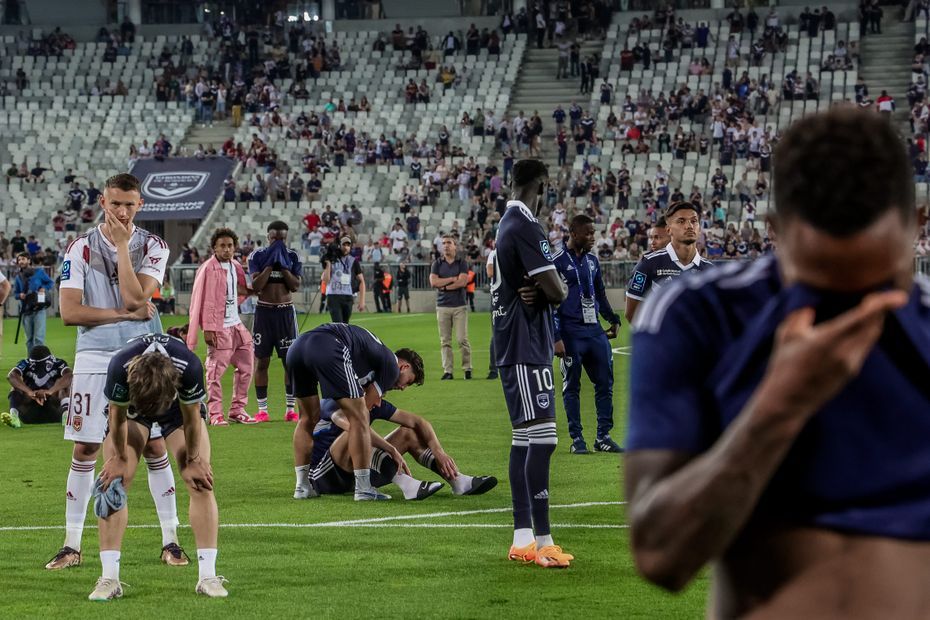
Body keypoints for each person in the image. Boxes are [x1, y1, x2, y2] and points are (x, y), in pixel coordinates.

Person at [626, 107, 930, 617]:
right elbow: (661, 553)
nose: (852, 307)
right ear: (777, 232)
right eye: (820, 282)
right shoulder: (699, 314)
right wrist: (779, 405)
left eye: (878, 282)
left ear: (917, 227)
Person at [50, 173, 187, 571]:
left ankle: (171, 540)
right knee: (85, 449)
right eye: (115, 204)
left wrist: (124, 247)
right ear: (102, 202)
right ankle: (71, 546)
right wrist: (124, 313)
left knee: (155, 447)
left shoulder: (154, 246)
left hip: (142, 357)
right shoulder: (79, 249)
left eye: (130, 204)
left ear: (140, 205)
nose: (122, 211)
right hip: (93, 357)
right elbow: (70, 313)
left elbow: (135, 294)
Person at [90, 333, 227, 600]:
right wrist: (118, 458)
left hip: (177, 410)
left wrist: (194, 459)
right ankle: (109, 579)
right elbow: (116, 418)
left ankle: (208, 577)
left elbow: (191, 420)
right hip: (133, 409)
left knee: (199, 480)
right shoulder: (120, 367)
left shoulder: (189, 368)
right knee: (112, 483)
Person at [491, 159, 572, 568]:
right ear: (543, 186)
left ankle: (524, 538)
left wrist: (543, 290)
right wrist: (550, 288)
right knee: (543, 438)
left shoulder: (506, 224)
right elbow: (558, 290)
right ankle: (542, 540)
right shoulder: (524, 225)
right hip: (525, 346)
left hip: (519, 344)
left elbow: (543, 290)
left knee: (525, 438)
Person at [288, 323, 424, 501]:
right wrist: (389, 448)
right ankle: (363, 488)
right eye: (408, 381)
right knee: (359, 418)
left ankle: (302, 487)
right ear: (404, 367)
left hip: (297, 347)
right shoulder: (391, 367)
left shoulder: (371, 357)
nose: (403, 387)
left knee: (307, 418)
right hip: (328, 345)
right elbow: (364, 411)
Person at [308, 397, 498, 499]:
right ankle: (408, 485)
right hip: (326, 477)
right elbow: (355, 428)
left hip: (361, 473)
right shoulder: (335, 401)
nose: (383, 397)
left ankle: (458, 482)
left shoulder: (376, 402)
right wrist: (391, 449)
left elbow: (418, 421)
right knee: (357, 434)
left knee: (408, 432)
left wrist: (439, 451)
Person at [552, 215, 623, 455]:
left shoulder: (593, 260)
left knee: (605, 384)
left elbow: (600, 295)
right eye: (588, 233)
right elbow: (550, 302)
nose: (593, 237)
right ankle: (577, 438)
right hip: (570, 332)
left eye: (594, 232)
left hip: (594, 332)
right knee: (571, 386)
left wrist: (612, 319)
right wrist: (555, 335)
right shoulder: (558, 262)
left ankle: (603, 436)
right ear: (573, 233)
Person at [187, 228, 255, 426]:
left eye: (230, 246)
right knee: (215, 372)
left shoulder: (235, 266)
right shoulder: (207, 268)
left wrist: (258, 289)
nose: (227, 249)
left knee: (247, 366)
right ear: (214, 248)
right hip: (218, 327)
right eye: (222, 246)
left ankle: (237, 409)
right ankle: (215, 413)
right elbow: (201, 299)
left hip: (236, 324)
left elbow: (240, 289)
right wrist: (208, 328)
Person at [247, 221, 301, 423]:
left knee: (290, 362)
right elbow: (256, 285)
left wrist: (284, 267)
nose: (278, 242)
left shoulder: (293, 256)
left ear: (286, 238)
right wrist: (270, 265)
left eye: (281, 239)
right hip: (264, 312)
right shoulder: (258, 256)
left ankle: (290, 409)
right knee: (262, 361)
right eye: (274, 239)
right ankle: (262, 410)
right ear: (268, 237)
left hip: (285, 313)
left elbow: (295, 286)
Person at [625, 201, 713, 323]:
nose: (689, 226)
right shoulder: (648, 264)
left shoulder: (711, 271)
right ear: (668, 230)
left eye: (694, 221)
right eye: (681, 221)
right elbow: (632, 314)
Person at [429, 235, 472, 380]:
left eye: (449, 243)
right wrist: (452, 279)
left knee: (462, 339)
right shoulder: (437, 263)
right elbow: (434, 282)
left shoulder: (462, 263)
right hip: (442, 306)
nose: (446, 245)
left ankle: (467, 368)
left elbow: (463, 282)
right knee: (445, 341)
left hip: (459, 306)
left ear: (455, 246)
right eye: (443, 243)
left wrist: (445, 287)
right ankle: (448, 371)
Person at [4, 345, 71, 428]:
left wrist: (50, 391)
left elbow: (69, 376)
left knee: (64, 384)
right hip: (29, 412)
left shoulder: (58, 363)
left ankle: (66, 416)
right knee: (15, 386)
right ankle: (14, 417)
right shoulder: (25, 363)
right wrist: (30, 392)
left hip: (55, 410)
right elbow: (11, 376)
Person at [13, 252, 54, 354]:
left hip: (39, 309)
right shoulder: (18, 276)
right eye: (19, 260)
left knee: (39, 339)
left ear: (29, 260)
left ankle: (39, 362)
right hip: (26, 310)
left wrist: (44, 288)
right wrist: (20, 295)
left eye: (23, 259)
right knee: (29, 340)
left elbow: (50, 282)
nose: (21, 261)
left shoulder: (39, 272)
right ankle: (31, 362)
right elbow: (15, 293)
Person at [321, 236, 366, 322]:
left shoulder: (353, 261)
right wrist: (328, 264)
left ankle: (342, 336)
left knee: (345, 325)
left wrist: (362, 301)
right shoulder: (332, 259)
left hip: (348, 296)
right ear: (339, 246)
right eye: (344, 245)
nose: (346, 247)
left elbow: (361, 281)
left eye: (348, 245)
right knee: (338, 324)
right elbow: (326, 280)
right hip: (333, 295)